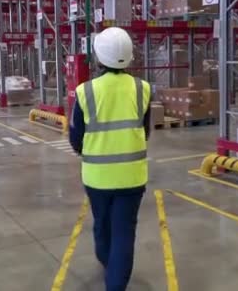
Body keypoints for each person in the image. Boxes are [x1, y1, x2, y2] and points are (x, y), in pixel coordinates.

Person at [69, 27, 151, 291]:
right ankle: (116, 278)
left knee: (102, 227)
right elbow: (145, 131)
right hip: (132, 177)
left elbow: (75, 138)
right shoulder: (143, 89)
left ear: (98, 58)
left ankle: (110, 266)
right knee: (124, 233)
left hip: (97, 178)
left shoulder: (85, 92)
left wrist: (91, 149)